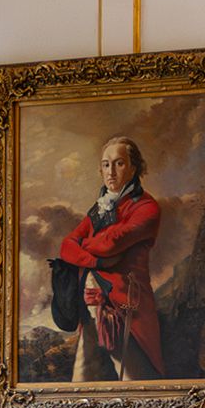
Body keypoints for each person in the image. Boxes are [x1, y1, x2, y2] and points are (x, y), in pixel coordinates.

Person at [56, 135, 164, 379]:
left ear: (134, 167)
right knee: (83, 377)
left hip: (124, 306)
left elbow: (110, 243)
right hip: (90, 302)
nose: (111, 172)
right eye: (106, 164)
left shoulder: (146, 207)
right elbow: (66, 246)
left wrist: (84, 246)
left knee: (133, 378)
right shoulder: (99, 208)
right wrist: (95, 262)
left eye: (119, 163)